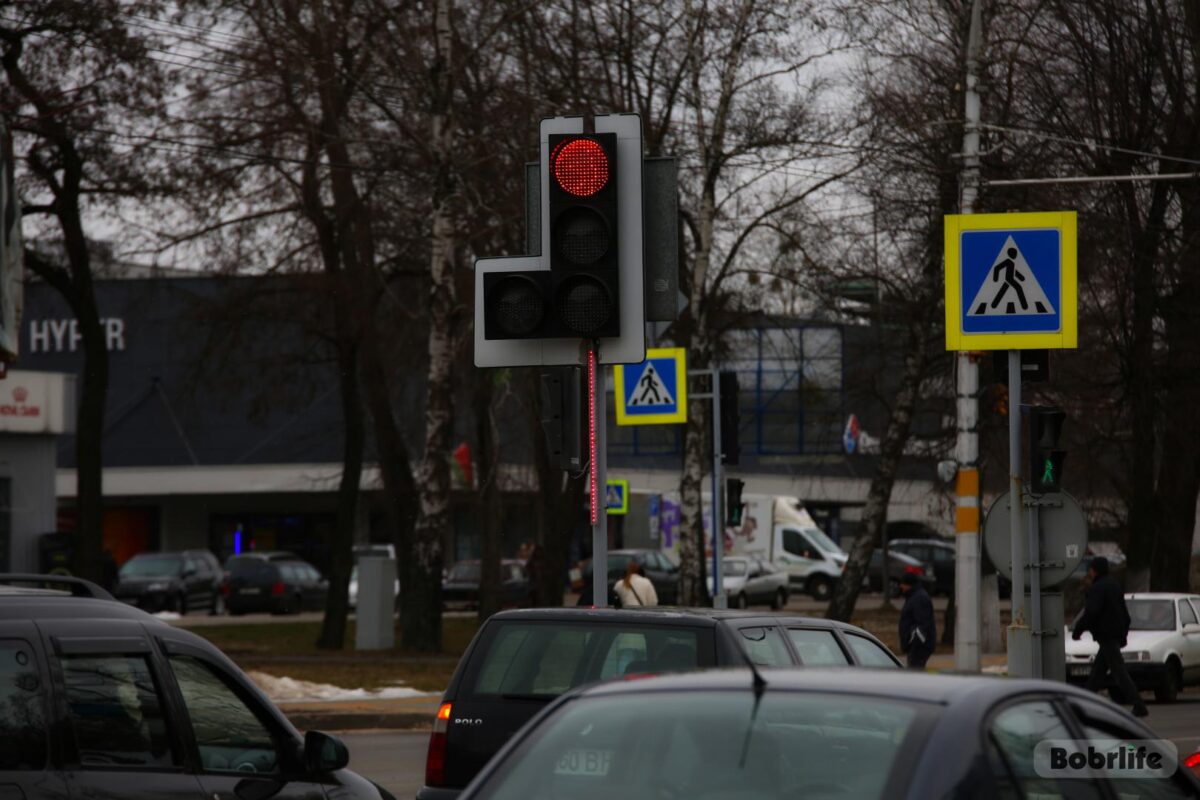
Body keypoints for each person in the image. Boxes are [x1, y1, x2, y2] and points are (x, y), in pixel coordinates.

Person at [1072, 556, 1147, 717]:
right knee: (1097, 674)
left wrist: (1078, 631)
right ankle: (1084, 704)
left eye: (1090, 570)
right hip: (1113, 636)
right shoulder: (1114, 586)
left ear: (1094, 570)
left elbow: (1091, 613)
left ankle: (1139, 704)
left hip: (1107, 636)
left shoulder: (1098, 588)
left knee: (1119, 672)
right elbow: (1125, 615)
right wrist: (1123, 634)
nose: (1089, 573)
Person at [898, 572, 935, 670]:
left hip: (918, 647)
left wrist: (913, 643)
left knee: (915, 673)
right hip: (916, 646)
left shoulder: (919, 598)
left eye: (902, 583)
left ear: (908, 584)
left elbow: (922, 624)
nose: (900, 586)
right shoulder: (914, 597)